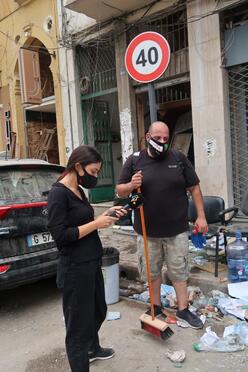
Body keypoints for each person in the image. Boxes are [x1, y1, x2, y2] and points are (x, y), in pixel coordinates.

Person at [116, 121, 208, 329]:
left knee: (179, 270)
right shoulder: (135, 160)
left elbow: (194, 188)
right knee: (152, 271)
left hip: (176, 230)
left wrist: (201, 217)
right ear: (148, 136)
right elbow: (120, 190)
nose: (162, 142)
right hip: (147, 231)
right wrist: (132, 185)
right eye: (158, 138)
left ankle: (183, 309)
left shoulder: (178, 158)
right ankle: (155, 307)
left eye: (166, 139)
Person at [48, 145, 126, 372]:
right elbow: (61, 236)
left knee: (99, 311)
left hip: (91, 262)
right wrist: (96, 223)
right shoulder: (58, 194)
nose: (95, 177)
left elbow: (83, 222)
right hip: (74, 268)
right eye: (93, 171)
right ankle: (81, 361)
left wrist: (106, 216)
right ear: (78, 166)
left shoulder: (79, 190)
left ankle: (93, 349)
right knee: (77, 328)